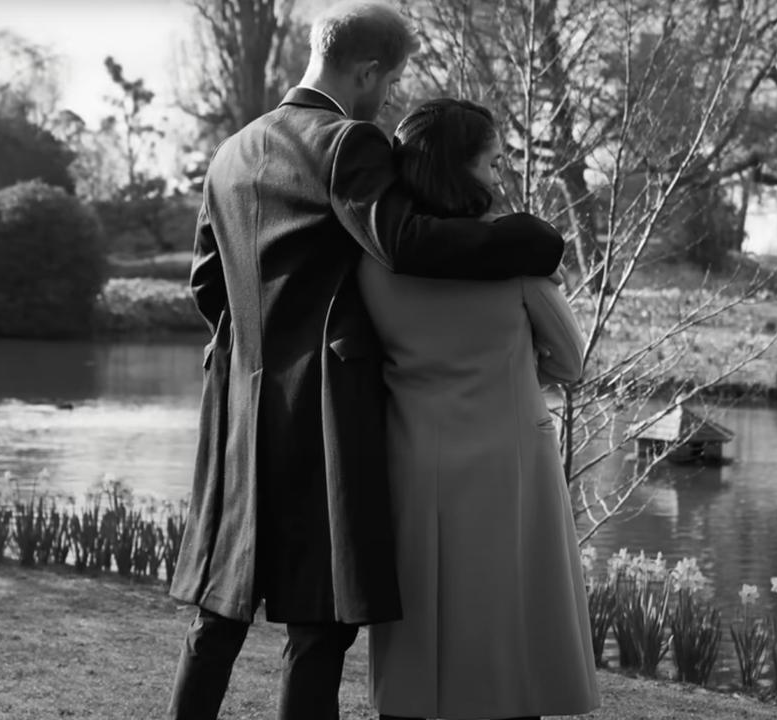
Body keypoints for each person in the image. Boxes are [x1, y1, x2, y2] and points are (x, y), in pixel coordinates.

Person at [164, 3, 566, 719]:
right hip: (322, 409)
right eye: (388, 82)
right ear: (367, 69)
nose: (387, 100)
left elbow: (205, 283)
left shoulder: (233, 151)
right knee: (319, 626)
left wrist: (258, 348)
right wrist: (533, 242)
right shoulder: (347, 141)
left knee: (219, 614)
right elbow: (404, 242)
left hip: (241, 415)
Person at [361, 98, 600, 720]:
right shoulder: (512, 258)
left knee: (422, 608)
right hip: (510, 456)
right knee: (510, 608)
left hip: (414, 454)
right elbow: (572, 363)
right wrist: (519, 366)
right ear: (460, 169)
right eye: (493, 163)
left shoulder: (370, 262)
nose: (499, 178)